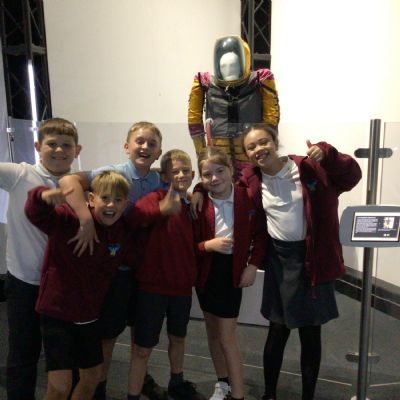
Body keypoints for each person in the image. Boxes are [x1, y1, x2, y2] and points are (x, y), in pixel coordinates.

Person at [241, 124, 362, 400]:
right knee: (277, 329)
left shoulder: (309, 168)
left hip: (312, 260)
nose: (259, 149)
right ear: (246, 153)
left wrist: (328, 154)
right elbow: (220, 183)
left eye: (264, 142)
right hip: (279, 261)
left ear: (275, 142)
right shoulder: (252, 180)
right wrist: (198, 190)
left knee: (310, 333)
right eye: (251, 147)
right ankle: (269, 395)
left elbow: (352, 175)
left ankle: (308, 396)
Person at [58, 121, 165, 400]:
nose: (145, 147)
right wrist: (85, 218)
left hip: (145, 271)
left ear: (158, 152)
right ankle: (98, 389)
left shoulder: (158, 181)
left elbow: (181, 184)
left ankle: (140, 380)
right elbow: (69, 181)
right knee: (108, 335)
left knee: (141, 335)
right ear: (127, 146)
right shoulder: (112, 173)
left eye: (152, 144)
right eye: (139, 141)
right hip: (115, 271)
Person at [24, 171, 133, 400]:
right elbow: (37, 213)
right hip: (58, 313)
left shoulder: (121, 231)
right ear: (91, 199)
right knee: (60, 387)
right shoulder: (70, 219)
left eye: (118, 200)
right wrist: (42, 197)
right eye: (105, 198)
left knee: (92, 377)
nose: (111, 205)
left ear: (125, 204)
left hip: (89, 316)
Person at [0, 118, 82, 400]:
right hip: (24, 282)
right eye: (52, 144)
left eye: (66, 145)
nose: (59, 150)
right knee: (23, 354)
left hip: (63, 287)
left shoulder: (81, 184)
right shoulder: (20, 174)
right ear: (38, 146)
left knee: (65, 356)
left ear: (77, 150)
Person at [125, 149, 205, 400]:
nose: (181, 175)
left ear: (193, 173)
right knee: (142, 348)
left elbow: (195, 244)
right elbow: (133, 220)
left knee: (178, 338)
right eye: (175, 171)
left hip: (181, 288)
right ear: (165, 175)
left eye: (185, 170)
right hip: (152, 288)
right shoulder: (155, 198)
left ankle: (177, 384)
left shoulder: (193, 205)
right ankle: (133, 395)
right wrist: (161, 210)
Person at [194, 147, 267, 400]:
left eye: (219, 171)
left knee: (227, 337)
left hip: (231, 272)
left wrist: (253, 265)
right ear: (201, 178)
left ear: (230, 170)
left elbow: (261, 235)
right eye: (207, 174)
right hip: (206, 273)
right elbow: (188, 243)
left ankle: (238, 394)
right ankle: (223, 383)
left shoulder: (247, 197)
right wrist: (207, 245)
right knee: (212, 332)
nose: (214, 178)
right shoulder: (199, 202)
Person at [188, 35, 280, 176]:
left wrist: (268, 149)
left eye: (233, 65)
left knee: (252, 183)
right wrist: (203, 154)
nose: (229, 70)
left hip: (251, 152)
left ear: (243, 62)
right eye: (223, 66)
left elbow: (271, 118)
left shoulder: (260, 81)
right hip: (219, 153)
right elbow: (194, 120)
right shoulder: (204, 84)